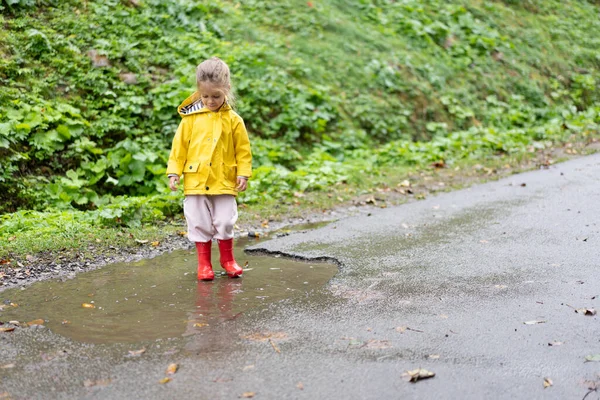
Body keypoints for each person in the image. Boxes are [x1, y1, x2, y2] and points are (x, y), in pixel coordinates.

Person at [166, 57, 252, 281]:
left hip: (224, 180)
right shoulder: (190, 120)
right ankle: (204, 264)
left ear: (227, 89)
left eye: (216, 96)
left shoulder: (234, 121)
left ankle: (227, 259)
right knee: (198, 221)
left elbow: (243, 150)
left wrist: (243, 172)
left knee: (225, 220)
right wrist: (174, 171)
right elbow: (179, 147)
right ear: (198, 91)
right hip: (195, 180)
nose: (210, 101)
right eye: (205, 96)